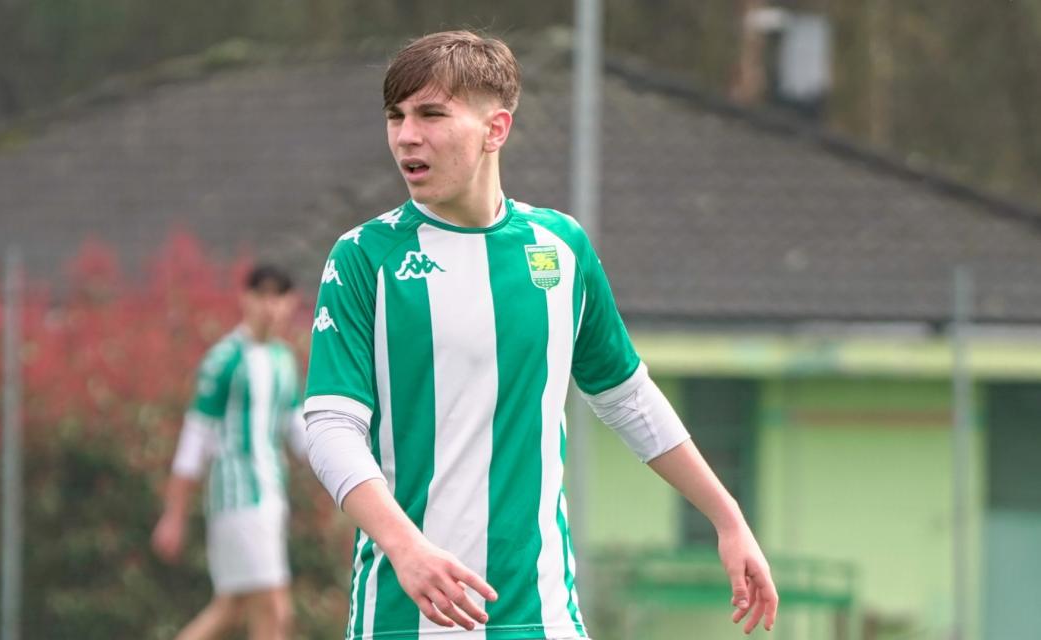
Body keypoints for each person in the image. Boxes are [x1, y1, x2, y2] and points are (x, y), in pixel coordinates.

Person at [303, 31, 778, 639]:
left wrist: (727, 517)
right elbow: (330, 427)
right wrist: (405, 547)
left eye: (431, 115)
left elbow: (626, 396)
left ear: (495, 129)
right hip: (405, 617)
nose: (406, 136)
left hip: (544, 616)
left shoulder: (560, 247)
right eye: (396, 116)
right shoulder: (363, 257)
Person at [152, 263, 307, 640]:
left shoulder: (284, 360)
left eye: (278, 296)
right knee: (274, 608)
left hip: (271, 494)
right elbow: (194, 439)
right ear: (245, 299)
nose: (270, 306)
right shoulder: (225, 360)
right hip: (239, 497)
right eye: (261, 295)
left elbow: (301, 434)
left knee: (232, 608)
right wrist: (174, 514)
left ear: (291, 302)